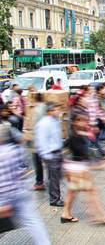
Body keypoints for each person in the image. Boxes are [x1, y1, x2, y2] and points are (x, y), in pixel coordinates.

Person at [0, 104, 51, 245]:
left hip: (6, 196)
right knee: (33, 221)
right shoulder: (14, 149)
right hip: (21, 192)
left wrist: (3, 203)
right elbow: (23, 167)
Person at [61, 114, 105, 225]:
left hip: (76, 169)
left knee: (72, 193)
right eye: (82, 121)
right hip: (78, 170)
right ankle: (100, 216)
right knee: (91, 192)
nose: (85, 123)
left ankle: (65, 214)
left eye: (86, 121)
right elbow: (82, 154)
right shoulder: (75, 137)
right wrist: (98, 165)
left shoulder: (80, 135)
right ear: (76, 123)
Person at [34, 102, 64, 207]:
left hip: (57, 153)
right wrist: (46, 156)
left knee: (56, 177)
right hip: (51, 154)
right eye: (56, 109)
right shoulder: (44, 123)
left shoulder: (55, 121)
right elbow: (41, 141)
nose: (58, 111)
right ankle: (54, 199)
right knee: (54, 178)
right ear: (50, 111)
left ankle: (55, 196)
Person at [31, 93, 47, 191]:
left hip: (39, 141)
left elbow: (36, 126)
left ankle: (39, 182)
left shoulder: (37, 110)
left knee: (37, 162)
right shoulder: (45, 107)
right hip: (45, 140)